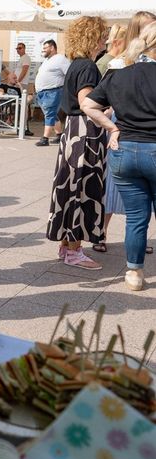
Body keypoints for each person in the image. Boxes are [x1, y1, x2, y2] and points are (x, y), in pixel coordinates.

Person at [81, 21, 156, 291]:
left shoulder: (119, 72)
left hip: (123, 151)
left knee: (137, 217)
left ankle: (134, 273)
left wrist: (112, 126)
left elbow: (88, 105)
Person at [46, 16, 108, 269]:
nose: (106, 39)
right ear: (93, 37)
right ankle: (74, 251)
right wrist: (109, 119)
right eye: (103, 34)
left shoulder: (76, 64)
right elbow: (86, 102)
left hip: (73, 131)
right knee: (81, 189)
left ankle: (66, 246)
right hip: (85, 132)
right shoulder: (88, 67)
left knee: (69, 187)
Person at [34, 39, 70, 147]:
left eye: (45, 48)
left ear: (52, 48)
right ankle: (59, 135)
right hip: (43, 93)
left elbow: (69, 74)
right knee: (51, 115)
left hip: (53, 92)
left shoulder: (60, 59)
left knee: (49, 114)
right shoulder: (47, 60)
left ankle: (45, 138)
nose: (43, 50)